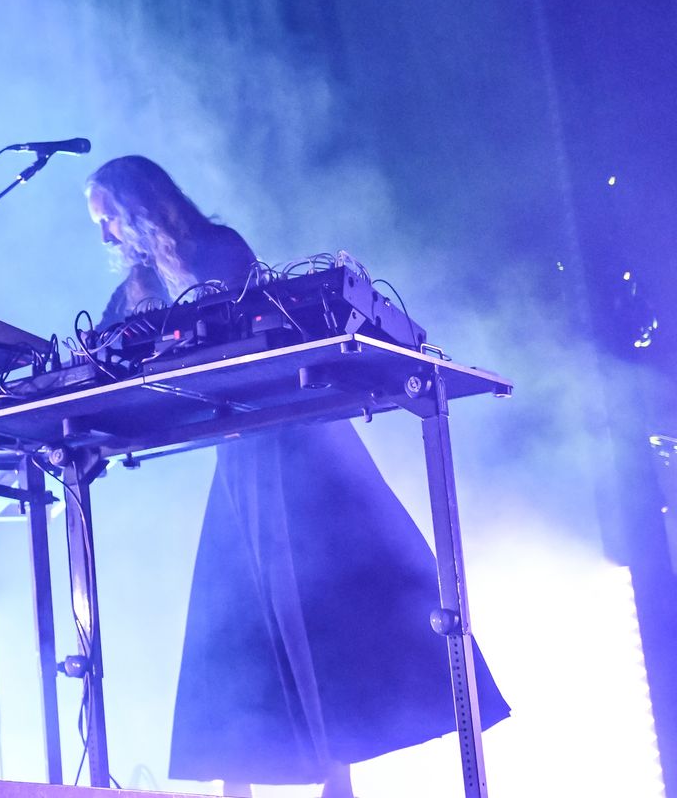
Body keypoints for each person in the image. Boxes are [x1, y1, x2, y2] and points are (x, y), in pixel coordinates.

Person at [84, 156, 510, 798]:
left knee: (317, 617)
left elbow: (254, 338)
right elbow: (106, 358)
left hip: (295, 444)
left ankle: (339, 785)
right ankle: (241, 785)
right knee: (238, 631)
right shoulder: (137, 285)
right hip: (237, 455)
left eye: (108, 217)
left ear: (139, 206)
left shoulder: (216, 248)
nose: (105, 235)